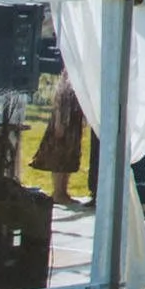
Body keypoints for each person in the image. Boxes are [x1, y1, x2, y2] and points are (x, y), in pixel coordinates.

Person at [31, 71, 86, 203]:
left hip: (73, 123)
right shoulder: (65, 81)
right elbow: (58, 102)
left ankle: (64, 191)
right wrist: (58, 122)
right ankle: (57, 192)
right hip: (62, 122)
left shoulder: (80, 78)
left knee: (69, 158)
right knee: (58, 157)